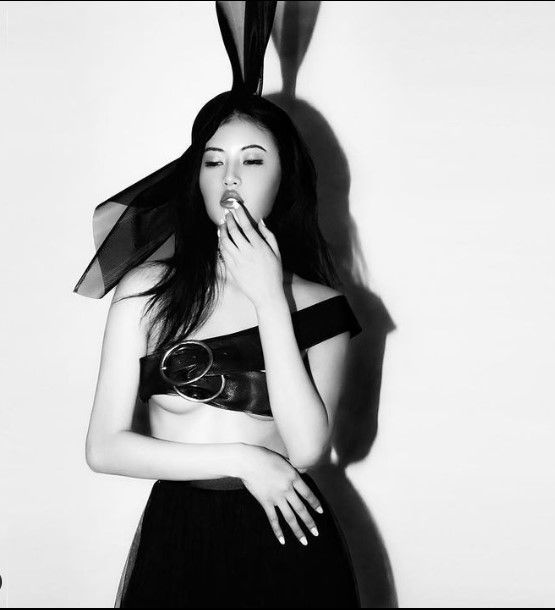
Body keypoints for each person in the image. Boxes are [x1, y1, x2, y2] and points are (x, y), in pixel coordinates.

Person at [76, 2, 363, 606]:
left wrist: (270, 298)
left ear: (284, 179)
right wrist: (245, 460)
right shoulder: (145, 291)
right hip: (179, 538)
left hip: (289, 537)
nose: (231, 176)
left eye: (253, 160)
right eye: (214, 161)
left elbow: (308, 447)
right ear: (197, 177)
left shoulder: (322, 305)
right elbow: (103, 448)